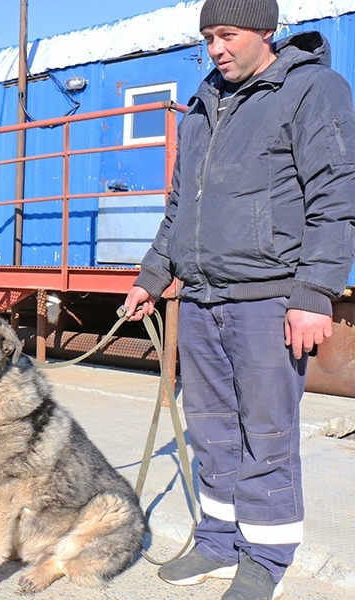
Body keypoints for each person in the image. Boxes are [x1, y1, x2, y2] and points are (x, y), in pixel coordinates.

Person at [123, 0, 355, 599]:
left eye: (227, 34)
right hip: (200, 298)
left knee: (266, 432)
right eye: (208, 36)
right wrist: (151, 278)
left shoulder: (312, 90)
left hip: (269, 299)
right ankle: (218, 539)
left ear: (265, 32)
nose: (216, 48)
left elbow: (336, 194)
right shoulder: (203, 105)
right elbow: (179, 207)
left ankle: (267, 556)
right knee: (211, 427)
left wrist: (315, 291)